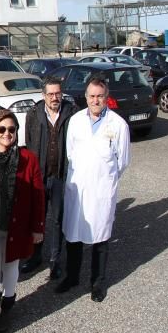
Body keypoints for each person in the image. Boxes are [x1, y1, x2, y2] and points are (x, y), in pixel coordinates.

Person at [56, 77, 130, 303]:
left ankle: (97, 282)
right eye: (92, 96)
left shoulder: (118, 125)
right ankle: (72, 277)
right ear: (85, 97)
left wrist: (104, 178)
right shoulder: (76, 120)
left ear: (106, 98)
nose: (95, 100)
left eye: (100, 96)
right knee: (74, 236)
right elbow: (70, 153)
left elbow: (123, 161)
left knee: (100, 238)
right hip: (78, 189)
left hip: (101, 191)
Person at [0, 109, 45, 333]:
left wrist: (37, 227)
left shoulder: (28, 158)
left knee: (11, 267)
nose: (7, 133)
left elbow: (38, 195)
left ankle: (7, 309)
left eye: (12, 129)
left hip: (17, 224)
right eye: (2, 129)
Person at [22, 76, 76, 277]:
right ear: (43, 95)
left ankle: (55, 259)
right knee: (38, 219)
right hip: (40, 177)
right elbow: (29, 141)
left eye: (58, 93)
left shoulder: (71, 112)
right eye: (51, 94)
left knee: (57, 219)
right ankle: (36, 257)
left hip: (61, 175)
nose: (55, 97)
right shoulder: (34, 114)